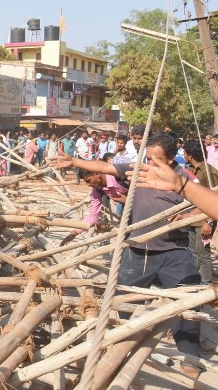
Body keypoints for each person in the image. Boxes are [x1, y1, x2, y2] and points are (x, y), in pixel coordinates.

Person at [51, 134, 203, 379]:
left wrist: (187, 216)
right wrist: (74, 161)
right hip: (137, 250)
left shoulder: (185, 179)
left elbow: (202, 207)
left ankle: (190, 358)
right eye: (148, 158)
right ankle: (125, 347)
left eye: (156, 160)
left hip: (174, 251)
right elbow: (104, 167)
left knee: (187, 302)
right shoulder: (138, 170)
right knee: (123, 300)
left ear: (170, 158)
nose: (150, 164)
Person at [59, 164, 128, 246]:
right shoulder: (98, 190)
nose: (88, 184)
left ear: (97, 174)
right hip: (127, 209)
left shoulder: (117, 177)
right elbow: (93, 216)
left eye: (88, 180)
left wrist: (127, 201)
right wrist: (73, 234)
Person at [182, 139, 218, 284]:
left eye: (185, 153)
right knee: (193, 251)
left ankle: (206, 283)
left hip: (204, 219)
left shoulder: (208, 172)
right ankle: (196, 279)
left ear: (190, 155)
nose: (183, 155)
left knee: (202, 253)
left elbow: (214, 198)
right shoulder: (191, 170)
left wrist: (209, 222)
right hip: (193, 218)